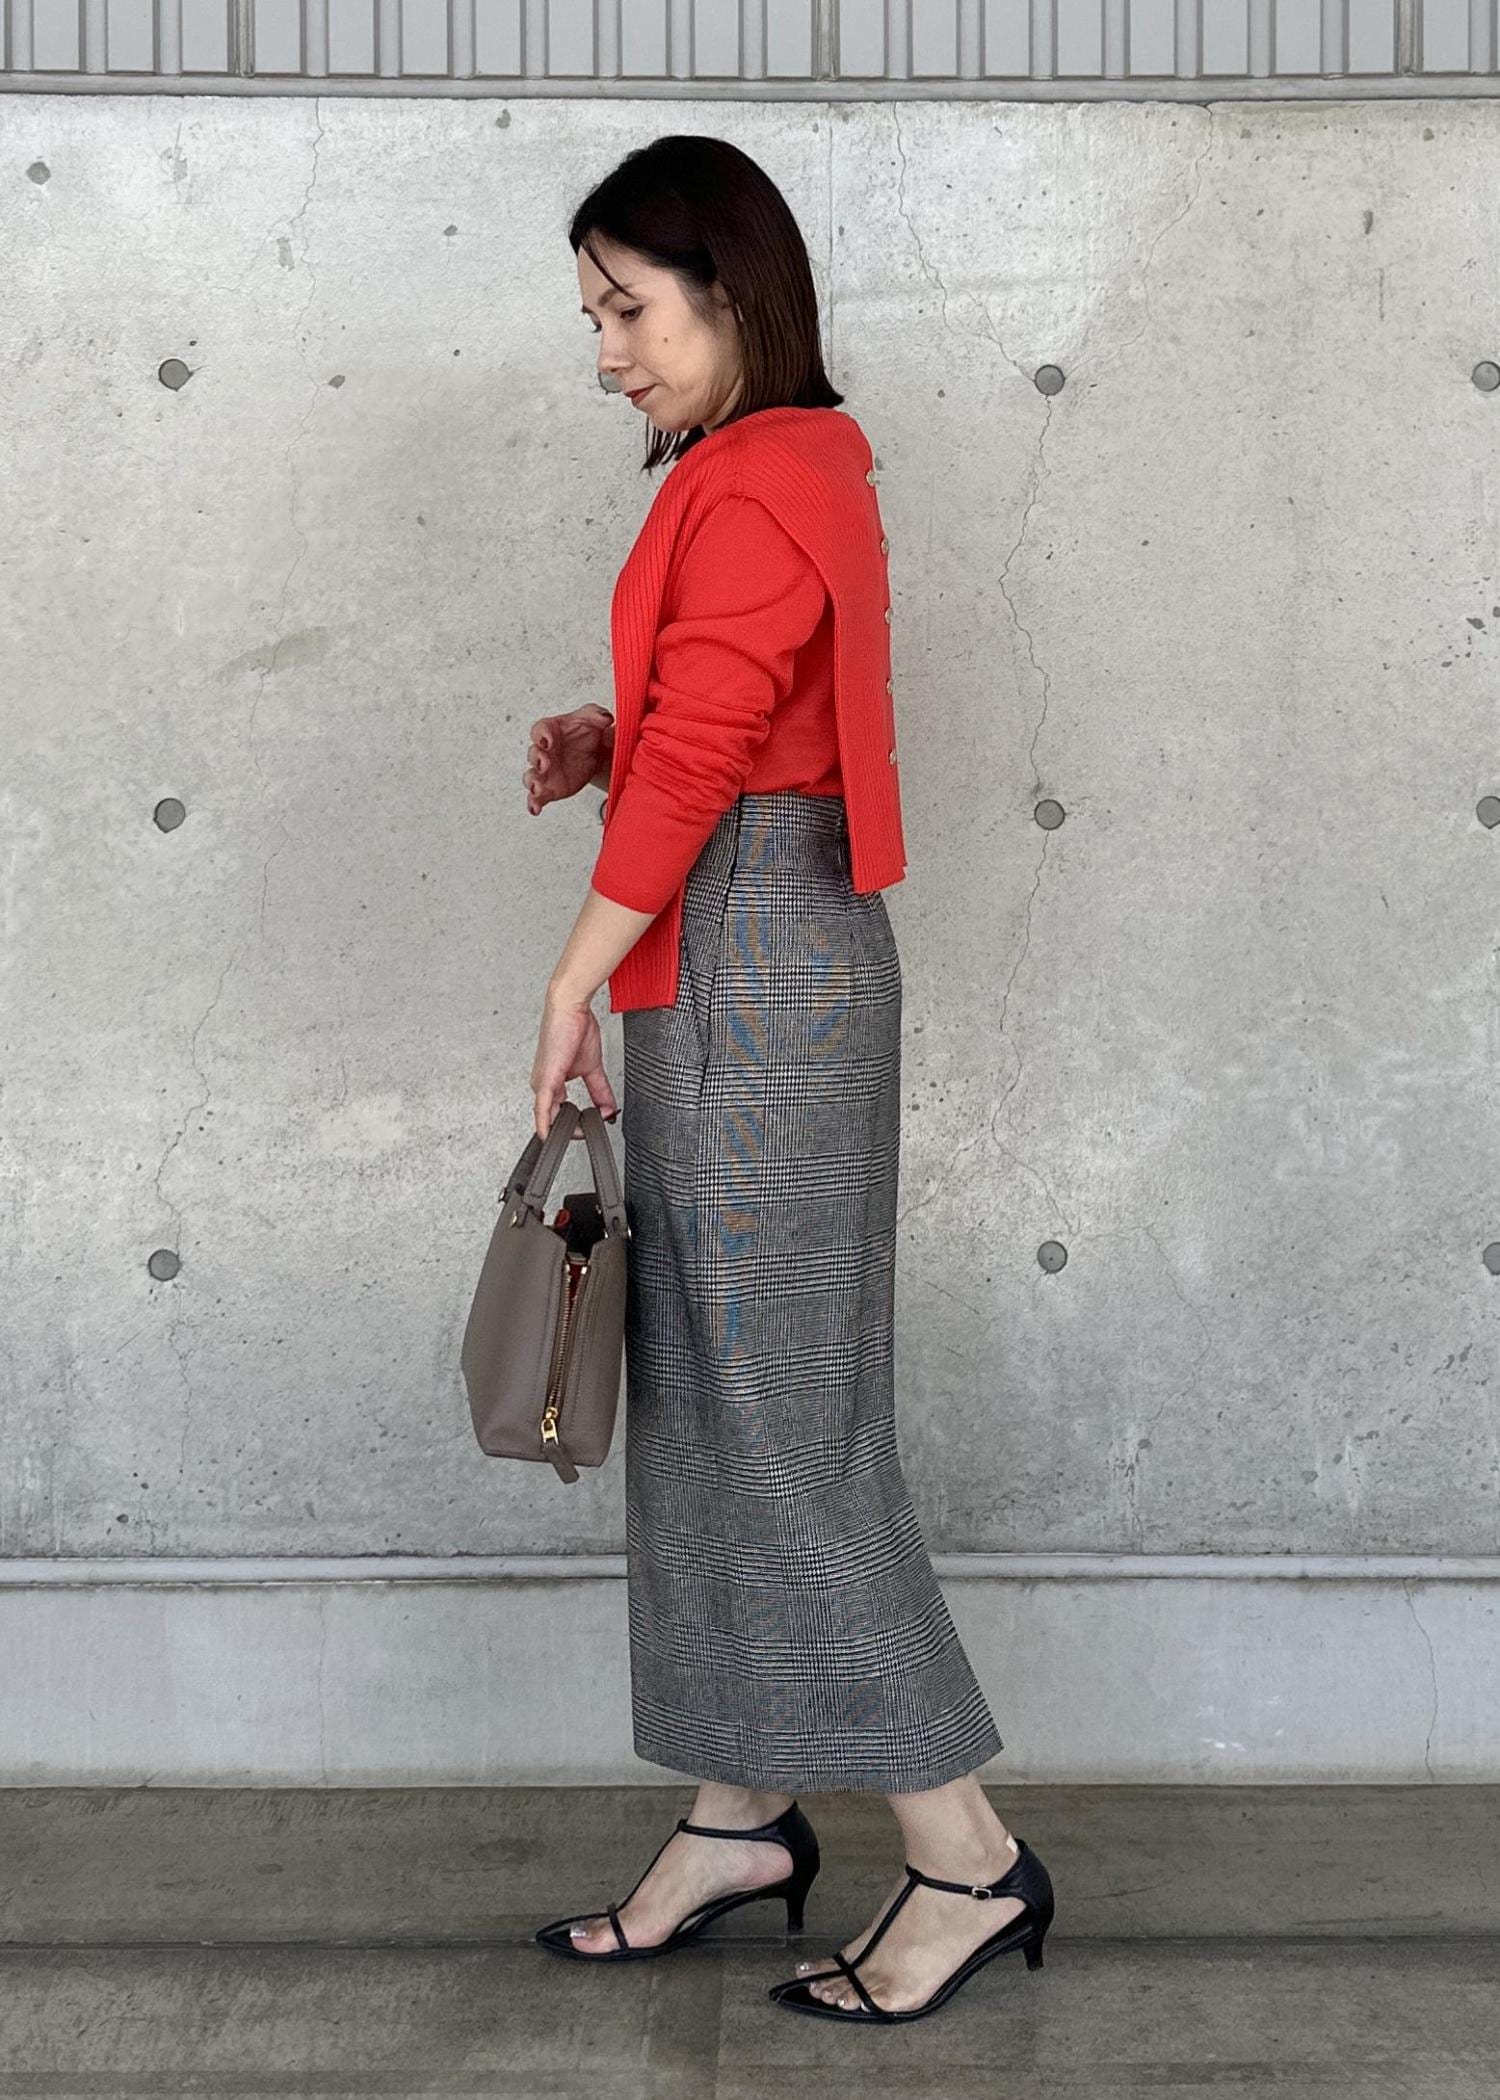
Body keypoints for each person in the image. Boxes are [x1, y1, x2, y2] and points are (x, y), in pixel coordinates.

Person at [522, 134, 1054, 2024]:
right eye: (593, 317)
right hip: (747, 942)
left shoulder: (756, 478)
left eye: (629, 310)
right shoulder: (769, 464)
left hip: (755, 968)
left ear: (732, 290)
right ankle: (740, 1818)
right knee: (714, 1394)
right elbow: (730, 726)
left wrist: (572, 974)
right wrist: (617, 735)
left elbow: (719, 761)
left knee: (776, 1417)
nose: (607, 352)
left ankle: (965, 1855)